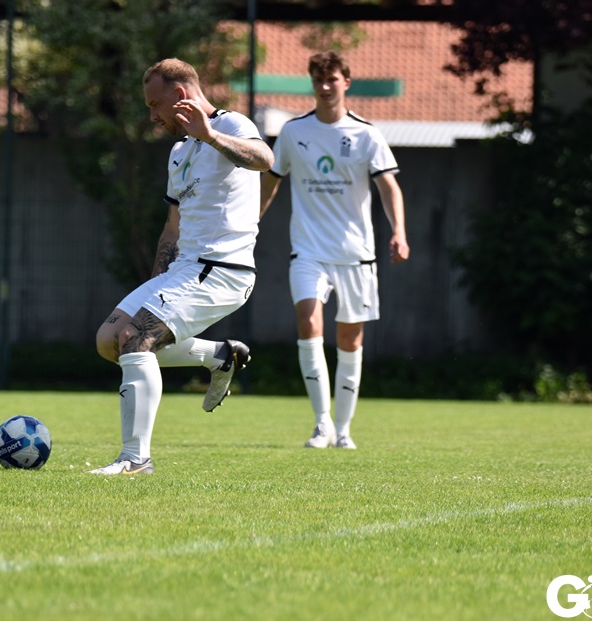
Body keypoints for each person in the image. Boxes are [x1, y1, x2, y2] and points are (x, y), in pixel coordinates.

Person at [91, 58, 274, 475]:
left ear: (180, 95)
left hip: (222, 269)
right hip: (185, 270)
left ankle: (135, 459)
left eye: (155, 105)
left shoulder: (231, 124)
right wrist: (158, 285)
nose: (152, 116)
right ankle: (219, 355)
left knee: (135, 338)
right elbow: (172, 228)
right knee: (109, 341)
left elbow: (264, 159)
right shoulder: (178, 152)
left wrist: (210, 135)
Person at [260, 51, 408, 450]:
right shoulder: (293, 132)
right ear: (312, 84)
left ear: (346, 82)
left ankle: (343, 429)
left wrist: (399, 232)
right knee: (308, 322)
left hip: (356, 254)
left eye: (332, 79)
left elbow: (389, 187)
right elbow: (270, 182)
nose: (325, 87)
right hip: (308, 251)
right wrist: (248, 224)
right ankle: (321, 422)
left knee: (349, 340)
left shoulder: (367, 134)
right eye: (318, 80)